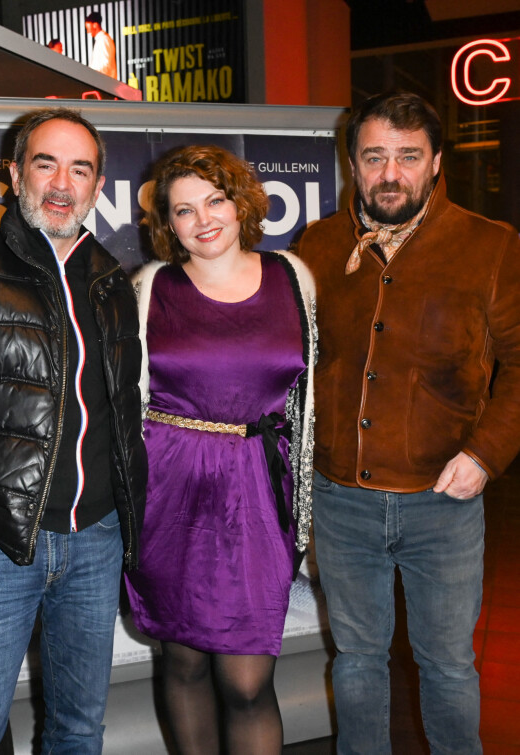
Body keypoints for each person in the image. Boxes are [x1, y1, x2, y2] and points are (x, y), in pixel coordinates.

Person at [298, 90, 520, 754]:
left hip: (443, 503)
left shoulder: (491, 246)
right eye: (375, 156)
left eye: (407, 156)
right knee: (357, 663)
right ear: (353, 162)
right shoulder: (319, 243)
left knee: (448, 668)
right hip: (342, 502)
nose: (389, 173)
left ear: (435, 162)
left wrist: (486, 451)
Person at [0, 107, 147, 754]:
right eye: (46, 162)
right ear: (13, 172)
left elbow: (122, 414)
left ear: (97, 185)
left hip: (95, 542)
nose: (62, 182)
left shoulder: (113, 280)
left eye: (80, 168)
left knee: (80, 730)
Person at [125, 144, 316, 754]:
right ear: (167, 224)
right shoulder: (153, 286)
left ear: (240, 203)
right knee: (182, 663)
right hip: (170, 492)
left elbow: (307, 401)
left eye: (215, 200)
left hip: (259, 491)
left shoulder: (293, 275)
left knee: (248, 681)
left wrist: (305, 505)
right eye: (183, 210)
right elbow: (127, 401)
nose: (203, 219)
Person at [85, 11, 117, 79]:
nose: (88, 32)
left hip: (104, 84)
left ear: (95, 25)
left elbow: (105, 66)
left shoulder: (103, 40)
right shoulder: (102, 39)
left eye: (88, 28)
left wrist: (91, 76)